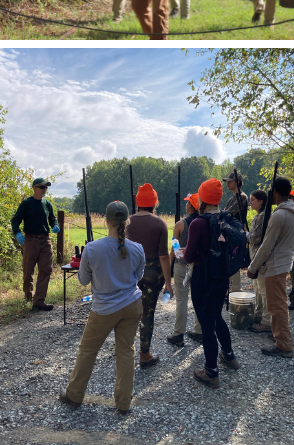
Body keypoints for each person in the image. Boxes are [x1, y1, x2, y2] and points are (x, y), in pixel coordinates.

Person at [59, 202, 145, 414]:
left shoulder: (92, 248)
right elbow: (138, 276)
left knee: (88, 350)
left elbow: (82, 280)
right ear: (127, 221)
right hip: (132, 304)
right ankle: (124, 403)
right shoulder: (138, 248)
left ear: (105, 221)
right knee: (126, 352)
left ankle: (74, 394)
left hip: (104, 308)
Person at [185, 178, 242, 388]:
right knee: (217, 316)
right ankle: (229, 356)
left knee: (206, 324)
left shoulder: (198, 223)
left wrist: (182, 254)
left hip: (203, 279)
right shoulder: (225, 219)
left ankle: (211, 371)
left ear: (202, 198)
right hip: (221, 277)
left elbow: (190, 256)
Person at [248, 177, 294, 358]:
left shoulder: (278, 215)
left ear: (276, 192)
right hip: (286, 261)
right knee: (279, 303)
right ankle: (280, 337)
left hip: (274, 264)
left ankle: (283, 344)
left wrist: (252, 267)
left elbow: (266, 245)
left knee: (276, 306)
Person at [126, 183, 172, 368]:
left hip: (130, 273)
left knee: (128, 312)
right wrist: (169, 283)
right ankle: (145, 354)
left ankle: (125, 348)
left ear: (138, 202)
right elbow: (163, 256)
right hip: (153, 274)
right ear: (154, 203)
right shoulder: (160, 223)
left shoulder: (127, 222)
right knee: (147, 313)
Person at [9, 177, 58, 311]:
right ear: (34, 188)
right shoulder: (26, 203)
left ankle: (39, 301)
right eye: (42, 187)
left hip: (45, 240)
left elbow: (53, 219)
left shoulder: (47, 204)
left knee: (46, 269)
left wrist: (55, 225)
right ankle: (28, 297)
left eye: (46, 187)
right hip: (30, 240)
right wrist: (18, 232)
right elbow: (15, 220)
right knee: (28, 270)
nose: (44, 190)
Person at [167, 193, 202, 346]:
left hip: (182, 266)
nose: (186, 205)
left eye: (188, 203)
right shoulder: (203, 222)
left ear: (191, 206)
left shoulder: (180, 225)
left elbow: (174, 249)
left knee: (182, 300)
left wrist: (168, 268)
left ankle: (178, 334)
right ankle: (199, 331)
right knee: (198, 300)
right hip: (199, 266)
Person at [245, 190, 272, 331]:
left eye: (253, 200)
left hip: (260, 259)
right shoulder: (261, 216)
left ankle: (267, 322)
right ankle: (258, 314)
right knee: (257, 287)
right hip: (256, 258)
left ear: (261, 201)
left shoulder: (262, 217)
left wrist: (246, 234)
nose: (250, 202)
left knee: (263, 289)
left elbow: (255, 237)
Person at [223, 171, 250, 294]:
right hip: (230, 235)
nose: (227, 183)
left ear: (238, 182)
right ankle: (230, 292)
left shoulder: (242, 197)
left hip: (237, 235)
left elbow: (228, 213)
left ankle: (236, 294)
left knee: (234, 264)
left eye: (230, 181)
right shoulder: (231, 199)